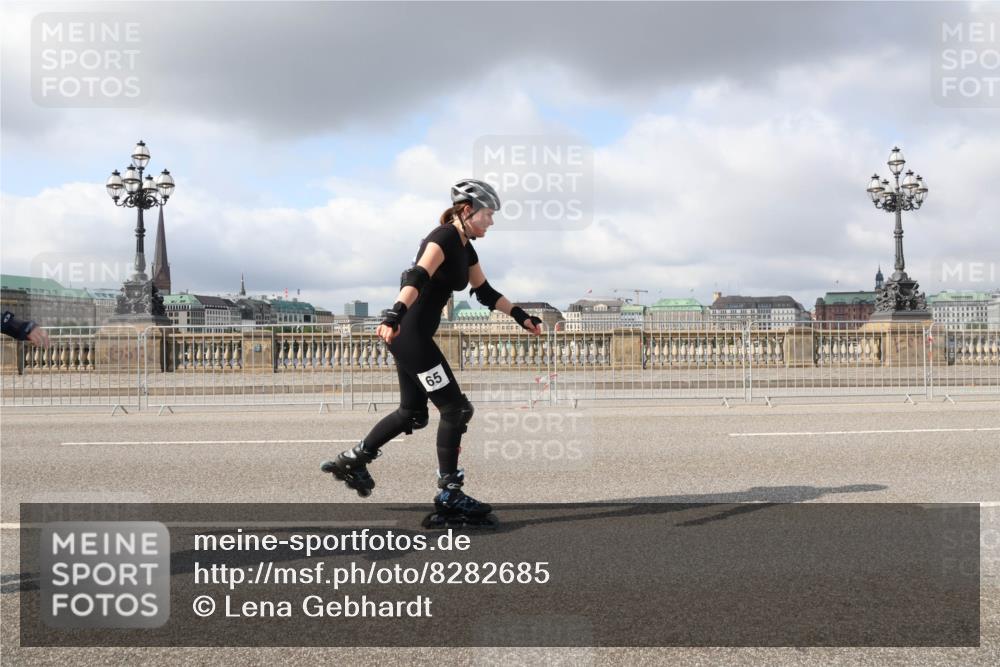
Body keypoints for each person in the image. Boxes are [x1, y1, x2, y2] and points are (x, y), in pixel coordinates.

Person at [321, 179, 543, 528]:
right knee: (456, 409)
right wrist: (394, 313)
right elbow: (417, 274)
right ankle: (450, 493)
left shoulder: (466, 247)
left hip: (412, 336)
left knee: (412, 412)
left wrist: (520, 316)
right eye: (488, 214)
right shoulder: (442, 238)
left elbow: (484, 291)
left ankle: (353, 460)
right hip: (408, 334)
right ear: (468, 211)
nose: (492, 222)